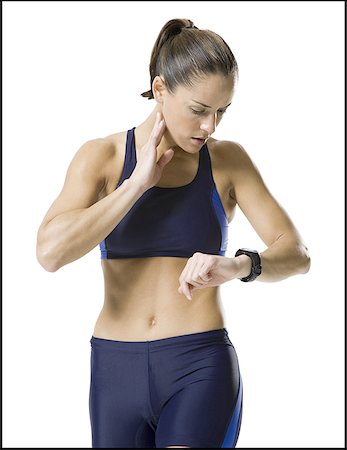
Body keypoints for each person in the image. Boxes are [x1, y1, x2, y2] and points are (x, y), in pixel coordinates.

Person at [36, 17, 311, 449]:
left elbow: (297, 252)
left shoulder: (227, 162)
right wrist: (135, 185)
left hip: (199, 365)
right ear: (161, 90)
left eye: (222, 111)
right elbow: (50, 253)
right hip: (114, 368)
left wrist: (238, 265)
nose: (210, 127)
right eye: (199, 110)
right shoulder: (102, 157)